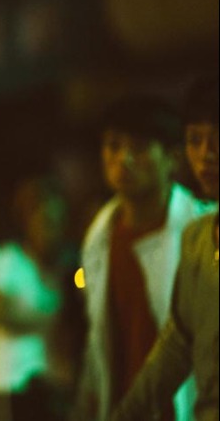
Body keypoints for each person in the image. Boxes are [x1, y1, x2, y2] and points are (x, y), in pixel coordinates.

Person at [74, 93, 214, 421]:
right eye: (113, 146)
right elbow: (99, 341)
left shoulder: (201, 230)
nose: (123, 160)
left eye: (138, 148)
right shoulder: (99, 237)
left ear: (172, 158)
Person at [111, 72, 219, 421]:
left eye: (217, 138)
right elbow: (177, 343)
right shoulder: (197, 239)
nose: (206, 154)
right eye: (195, 140)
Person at [0, 174, 78, 421]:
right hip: (15, 380)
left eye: (57, 222)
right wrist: (56, 321)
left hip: (56, 380)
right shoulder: (9, 261)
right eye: (45, 222)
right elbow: (2, 315)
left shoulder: (70, 267)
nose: (51, 230)